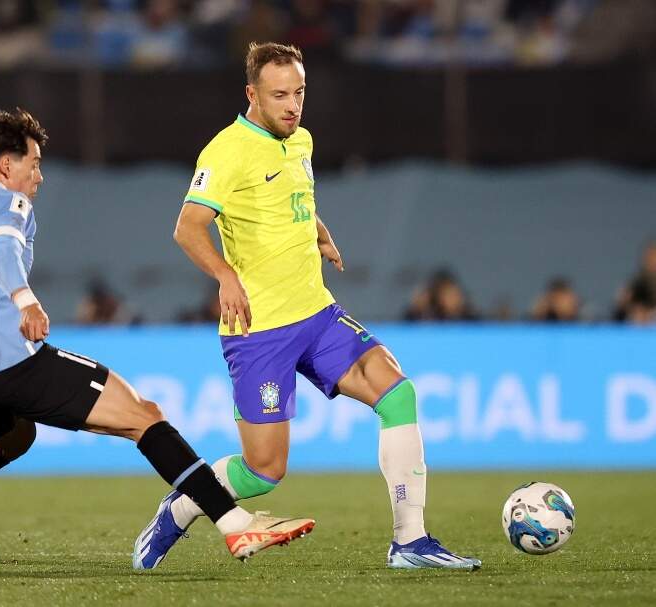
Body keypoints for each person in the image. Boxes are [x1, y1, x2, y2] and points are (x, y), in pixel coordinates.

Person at [0, 107, 314, 575]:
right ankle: (234, 522)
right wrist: (25, 300)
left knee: (10, 439)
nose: (39, 175)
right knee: (144, 415)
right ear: (4, 166)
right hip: (11, 363)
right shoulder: (5, 203)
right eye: (33, 162)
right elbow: (3, 247)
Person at [133, 43, 481, 571]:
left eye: (299, 92)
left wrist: (316, 231)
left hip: (317, 314)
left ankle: (409, 543)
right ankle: (181, 506)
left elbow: (292, 198)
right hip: (259, 329)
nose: (292, 105)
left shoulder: (301, 141)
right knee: (263, 471)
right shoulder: (226, 151)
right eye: (279, 95)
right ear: (251, 95)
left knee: (398, 393)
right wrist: (225, 275)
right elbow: (187, 228)